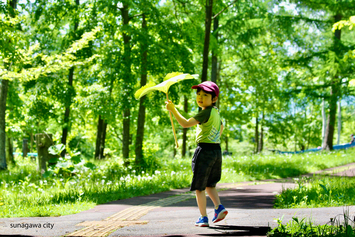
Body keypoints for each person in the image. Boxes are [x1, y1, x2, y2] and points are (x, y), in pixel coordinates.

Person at [165, 81, 228, 227]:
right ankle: (219, 207)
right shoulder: (216, 112)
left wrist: (173, 109)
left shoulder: (205, 111)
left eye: (205, 95)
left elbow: (185, 123)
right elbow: (222, 127)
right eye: (198, 94)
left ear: (214, 99)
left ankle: (203, 217)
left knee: (199, 186)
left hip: (204, 151)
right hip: (216, 150)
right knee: (210, 184)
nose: (200, 97)